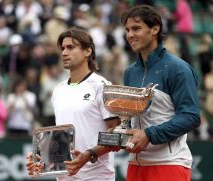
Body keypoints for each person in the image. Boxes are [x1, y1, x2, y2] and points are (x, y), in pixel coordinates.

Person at [63, 5, 201, 181]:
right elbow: (129, 124)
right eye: (127, 30)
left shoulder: (178, 68)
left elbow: (191, 116)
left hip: (169, 164)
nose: (130, 35)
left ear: (155, 29)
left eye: (136, 28)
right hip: (135, 165)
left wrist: (149, 135)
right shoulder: (130, 72)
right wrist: (90, 153)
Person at [26, 27, 120, 181]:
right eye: (62, 48)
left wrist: (88, 155)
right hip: (65, 178)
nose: (64, 52)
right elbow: (60, 136)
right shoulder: (58, 90)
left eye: (71, 47)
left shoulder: (102, 86)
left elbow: (116, 134)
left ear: (87, 52)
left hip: (97, 177)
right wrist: (42, 160)